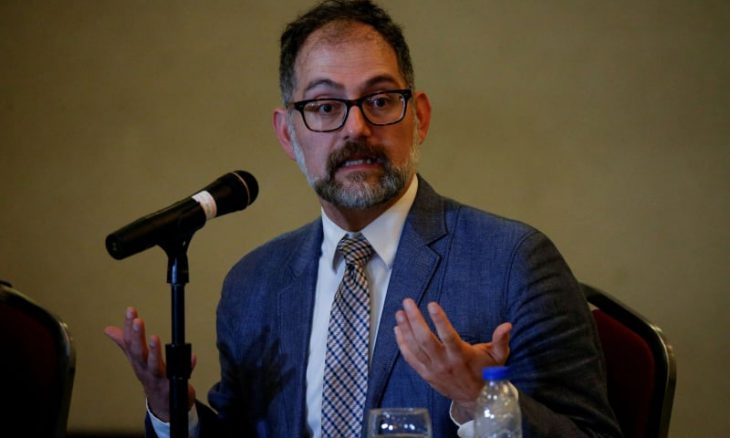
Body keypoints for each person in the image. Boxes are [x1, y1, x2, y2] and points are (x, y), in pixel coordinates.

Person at [105, 1, 622, 437]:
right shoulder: (254, 284)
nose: (356, 127)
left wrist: (479, 400)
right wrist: (174, 414)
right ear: (288, 134)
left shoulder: (513, 263)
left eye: (379, 100)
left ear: (418, 117)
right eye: (326, 106)